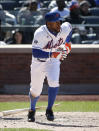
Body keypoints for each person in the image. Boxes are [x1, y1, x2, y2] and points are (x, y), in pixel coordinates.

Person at [28, 12, 72, 122]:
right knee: (36, 90)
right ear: (48, 24)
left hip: (53, 60)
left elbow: (69, 29)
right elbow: (35, 53)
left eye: (59, 21)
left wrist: (67, 44)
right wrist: (52, 54)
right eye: (56, 22)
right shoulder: (40, 33)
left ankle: (49, 109)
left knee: (54, 82)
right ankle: (32, 110)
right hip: (39, 62)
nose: (59, 24)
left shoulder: (64, 28)